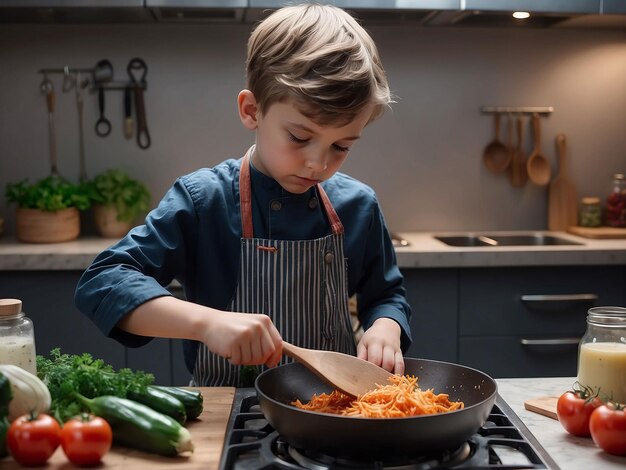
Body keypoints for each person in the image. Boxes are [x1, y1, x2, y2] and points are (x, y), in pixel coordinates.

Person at [75, 3, 412, 387]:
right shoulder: (203, 201)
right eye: (300, 137)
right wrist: (207, 323)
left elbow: (386, 293)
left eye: (341, 146)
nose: (317, 164)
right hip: (227, 415)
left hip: (332, 414)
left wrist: (386, 327)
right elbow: (103, 281)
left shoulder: (358, 206)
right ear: (252, 110)